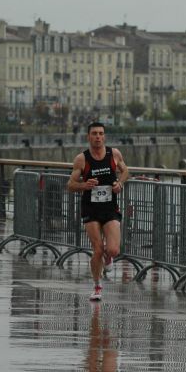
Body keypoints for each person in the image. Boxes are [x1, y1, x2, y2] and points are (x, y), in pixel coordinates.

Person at [67, 121, 129, 301]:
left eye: (101, 133)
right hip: (91, 208)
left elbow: (125, 171)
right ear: (88, 137)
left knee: (113, 249)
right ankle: (97, 286)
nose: (98, 137)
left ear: (104, 136)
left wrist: (120, 183)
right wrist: (84, 185)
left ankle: (109, 259)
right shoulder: (82, 159)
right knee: (97, 249)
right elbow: (70, 185)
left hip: (110, 208)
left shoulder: (114, 153)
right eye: (94, 133)